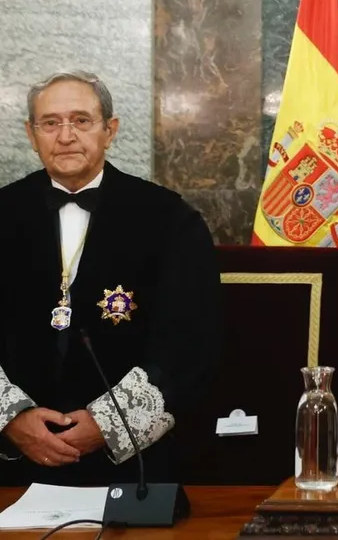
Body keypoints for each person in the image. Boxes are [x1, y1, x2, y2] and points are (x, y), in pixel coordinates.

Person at [0, 71, 220, 486]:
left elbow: (190, 343)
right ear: (31, 134)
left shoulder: (170, 219)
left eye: (81, 120)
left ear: (110, 130)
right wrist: (12, 419)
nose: (66, 136)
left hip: (132, 467)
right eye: (50, 123)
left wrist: (107, 423)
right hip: (11, 462)